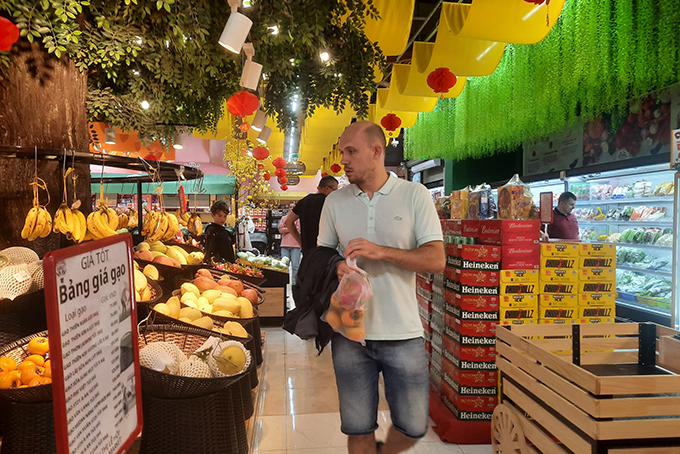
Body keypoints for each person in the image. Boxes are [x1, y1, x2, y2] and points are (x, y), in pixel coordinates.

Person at [317, 121, 446, 454]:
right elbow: (321, 255)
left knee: (414, 426)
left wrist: (382, 251)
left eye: (351, 151)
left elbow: (436, 260)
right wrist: (336, 264)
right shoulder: (334, 202)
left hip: (403, 331)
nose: (343, 160)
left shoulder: (414, 195)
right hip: (349, 331)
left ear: (377, 151)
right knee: (358, 427)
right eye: (343, 151)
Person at [285, 175, 338, 253]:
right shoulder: (329, 202)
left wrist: (300, 242)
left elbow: (288, 221)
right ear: (326, 188)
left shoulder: (304, 201)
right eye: (335, 190)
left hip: (307, 249)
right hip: (326, 250)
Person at [279, 202, 302, 285]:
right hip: (284, 245)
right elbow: (280, 230)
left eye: (293, 207)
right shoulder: (283, 218)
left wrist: (287, 227)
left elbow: (299, 230)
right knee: (284, 266)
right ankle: (283, 283)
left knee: (295, 266)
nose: (292, 209)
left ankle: (294, 284)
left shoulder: (299, 219)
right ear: (288, 208)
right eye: (290, 207)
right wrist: (292, 228)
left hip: (296, 245)